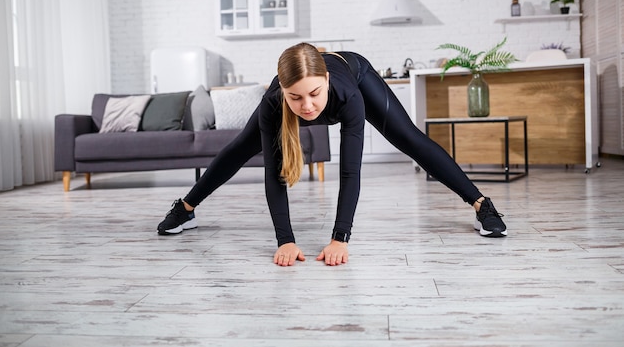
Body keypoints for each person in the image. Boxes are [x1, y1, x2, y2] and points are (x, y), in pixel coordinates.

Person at [157, 43, 507, 267]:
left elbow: (350, 173)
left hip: (355, 71)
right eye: (296, 97)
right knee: (237, 149)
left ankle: (481, 205)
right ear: (281, 91)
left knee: (410, 138)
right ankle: (185, 209)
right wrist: (286, 241)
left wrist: (340, 237)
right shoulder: (273, 104)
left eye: (314, 94)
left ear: (324, 81)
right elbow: (274, 173)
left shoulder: (347, 96)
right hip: (306, 79)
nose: (307, 107)